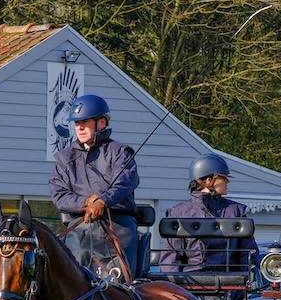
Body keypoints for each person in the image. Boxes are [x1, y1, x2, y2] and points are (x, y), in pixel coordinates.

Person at [48, 94, 140, 277]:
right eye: (76, 123)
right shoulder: (64, 158)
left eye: (85, 122)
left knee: (119, 280)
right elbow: (59, 194)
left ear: (102, 123)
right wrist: (86, 202)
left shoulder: (119, 152)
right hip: (79, 227)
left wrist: (103, 201)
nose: (79, 127)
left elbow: (125, 182)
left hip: (117, 226)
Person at [158, 152, 259, 275]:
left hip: (231, 285)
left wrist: (244, 283)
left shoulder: (236, 211)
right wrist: (177, 291)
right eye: (223, 178)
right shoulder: (178, 213)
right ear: (208, 180)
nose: (227, 182)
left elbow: (248, 254)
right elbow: (171, 260)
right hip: (190, 285)